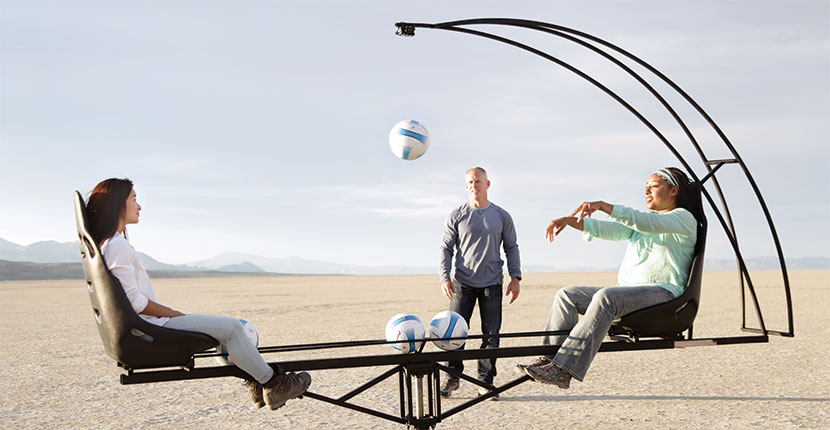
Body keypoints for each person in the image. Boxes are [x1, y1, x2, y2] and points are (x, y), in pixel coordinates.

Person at [85, 178, 311, 411]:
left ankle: (255, 382)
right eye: (134, 199)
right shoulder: (117, 245)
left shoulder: (108, 245)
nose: (139, 206)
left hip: (143, 327)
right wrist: (171, 313)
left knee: (226, 331)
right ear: (118, 204)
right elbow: (135, 302)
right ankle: (273, 384)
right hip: (150, 328)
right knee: (233, 329)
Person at [520, 167, 704, 388]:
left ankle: (564, 369)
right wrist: (569, 221)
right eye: (645, 187)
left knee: (607, 296)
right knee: (567, 295)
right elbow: (611, 229)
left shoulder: (683, 218)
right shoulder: (645, 221)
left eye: (654, 186)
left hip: (664, 294)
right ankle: (549, 360)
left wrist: (603, 206)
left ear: (674, 190)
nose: (647, 191)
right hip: (632, 293)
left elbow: (643, 222)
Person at [439, 167, 522, 400]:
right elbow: (446, 248)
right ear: (466, 186)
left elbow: (511, 247)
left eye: (478, 181)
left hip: (492, 284)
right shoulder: (457, 215)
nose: (474, 185)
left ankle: (485, 382)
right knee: (454, 333)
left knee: (491, 335)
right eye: (470, 182)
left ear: (488, 184)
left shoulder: (501, 216)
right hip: (462, 283)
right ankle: (452, 378)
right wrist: (445, 277)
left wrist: (515, 277)